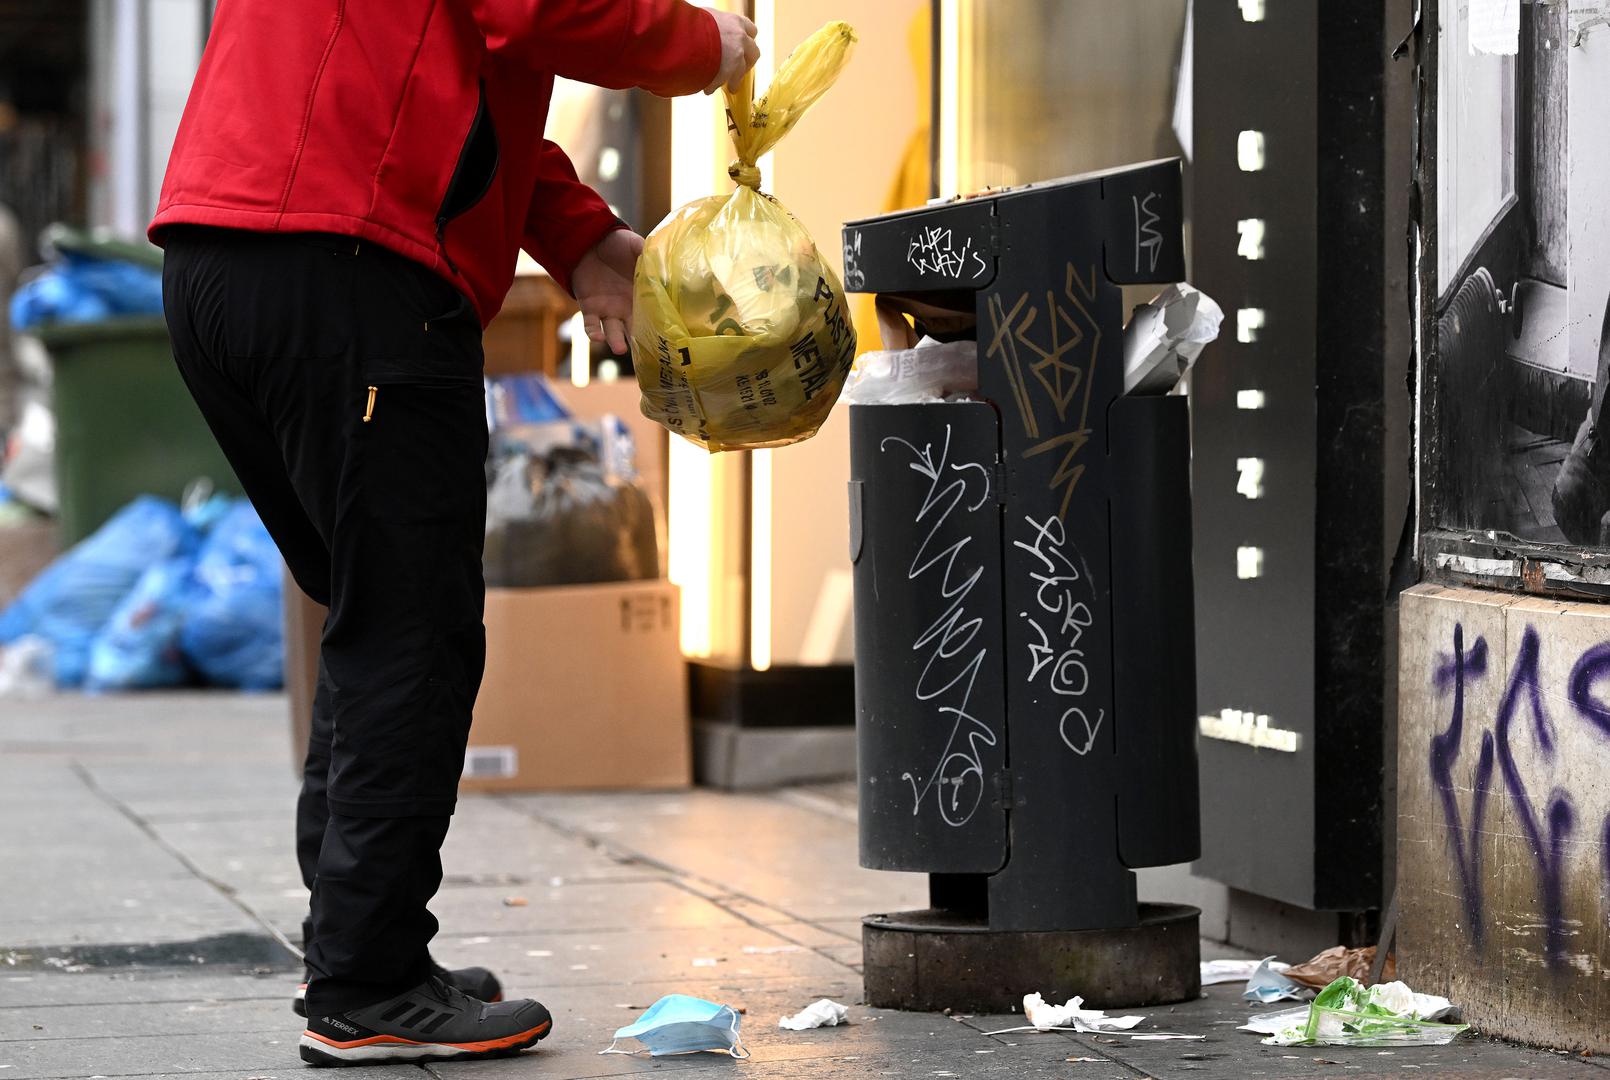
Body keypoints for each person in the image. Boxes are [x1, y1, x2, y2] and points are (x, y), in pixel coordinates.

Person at [150, 0, 757, 1066]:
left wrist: (579, 237)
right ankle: (368, 982)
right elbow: (536, 8)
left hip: (226, 257)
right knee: (410, 634)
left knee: (374, 611)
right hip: (355, 269)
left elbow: (462, 77)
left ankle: (355, 945)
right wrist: (704, 45)